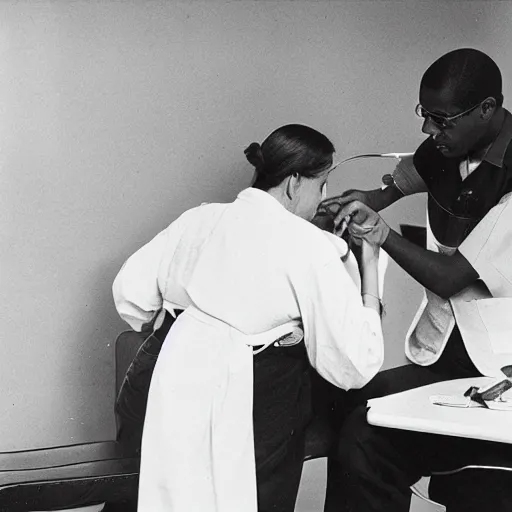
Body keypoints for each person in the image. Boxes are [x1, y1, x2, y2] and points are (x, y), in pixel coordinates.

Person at [112, 124, 388, 512]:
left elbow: (131, 297)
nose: (323, 198)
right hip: (250, 402)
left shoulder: (200, 218)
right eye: (322, 184)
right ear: (294, 183)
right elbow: (354, 364)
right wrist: (371, 262)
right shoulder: (312, 246)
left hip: (155, 386)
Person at [320, 48, 512, 512]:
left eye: (441, 120)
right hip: (448, 353)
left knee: (369, 436)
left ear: (487, 109)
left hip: (501, 366)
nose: (429, 130)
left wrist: (378, 232)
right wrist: (370, 196)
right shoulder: (448, 146)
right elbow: (411, 175)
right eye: (425, 116)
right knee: (356, 418)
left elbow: (450, 278)